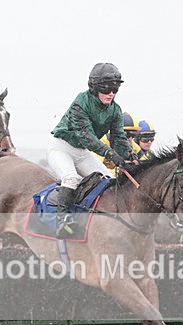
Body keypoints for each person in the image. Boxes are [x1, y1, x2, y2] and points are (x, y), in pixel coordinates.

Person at [47, 62, 137, 238]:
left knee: (109, 181)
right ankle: (62, 222)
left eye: (115, 88)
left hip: (82, 153)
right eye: (106, 88)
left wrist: (131, 156)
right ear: (95, 87)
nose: (111, 93)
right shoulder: (81, 102)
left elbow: (119, 137)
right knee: (71, 178)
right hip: (61, 148)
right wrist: (111, 154)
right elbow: (86, 137)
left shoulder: (115, 110)